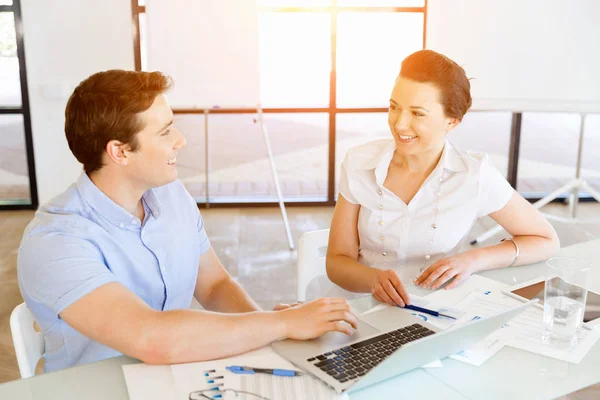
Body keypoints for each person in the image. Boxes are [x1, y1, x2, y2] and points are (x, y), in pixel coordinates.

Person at [17, 70, 358, 373]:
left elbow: (214, 287)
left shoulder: (171, 196)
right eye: (165, 132)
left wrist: (273, 333)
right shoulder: (55, 241)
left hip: (177, 377)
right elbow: (152, 339)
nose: (181, 140)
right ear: (120, 152)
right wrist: (280, 323)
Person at [326, 50, 560, 307]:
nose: (400, 124)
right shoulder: (359, 163)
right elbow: (337, 260)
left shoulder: (473, 174)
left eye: (418, 114)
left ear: (452, 121)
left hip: (439, 311)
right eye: (394, 107)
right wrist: (374, 280)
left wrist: (473, 260)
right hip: (365, 309)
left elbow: (545, 241)